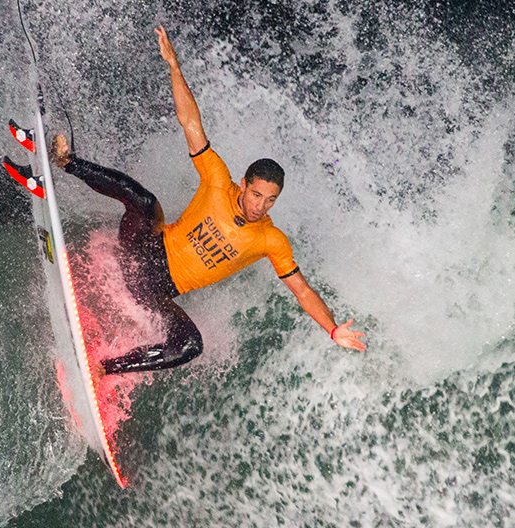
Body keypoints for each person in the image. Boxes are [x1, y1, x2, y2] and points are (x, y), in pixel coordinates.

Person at [53, 25, 367, 374]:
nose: (260, 206)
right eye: (257, 194)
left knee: (190, 345)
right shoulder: (217, 179)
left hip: (157, 292)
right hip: (142, 250)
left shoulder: (270, 240)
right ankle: (68, 162)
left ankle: (104, 368)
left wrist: (333, 328)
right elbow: (190, 122)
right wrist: (174, 66)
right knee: (144, 202)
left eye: (270, 200)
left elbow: (303, 292)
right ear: (244, 185)